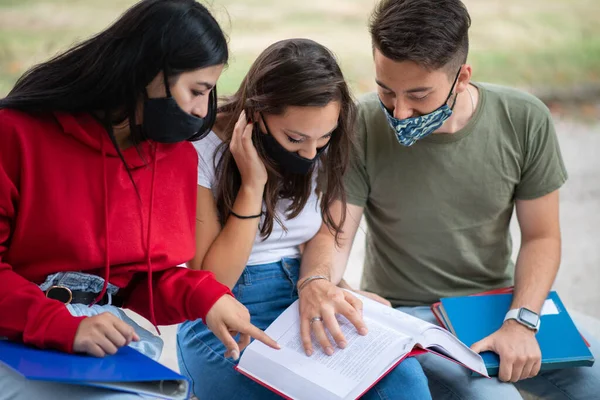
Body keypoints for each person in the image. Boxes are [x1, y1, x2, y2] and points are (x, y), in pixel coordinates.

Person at [0, 1, 278, 399]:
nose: (202, 111)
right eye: (196, 91)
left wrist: (205, 296)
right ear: (146, 71)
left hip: (100, 345)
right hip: (15, 334)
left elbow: (138, 281)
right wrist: (64, 326)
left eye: (210, 92)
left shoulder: (176, 157)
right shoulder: (16, 135)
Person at [330, 0, 600, 398]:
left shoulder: (524, 118)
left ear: (461, 77)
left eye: (419, 95)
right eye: (386, 90)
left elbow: (542, 237)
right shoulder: (362, 124)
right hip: (410, 315)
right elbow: (336, 235)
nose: (401, 112)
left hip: (502, 303)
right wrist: (337, 285)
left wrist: (522, 321)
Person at [176, 38, 432, 400]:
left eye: (323, 137)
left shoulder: (330, 138)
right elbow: (211, 280)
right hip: (228, 311)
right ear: (257, 115)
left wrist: (320, 281)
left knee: (404, 382)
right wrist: (252, 185)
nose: (311, 153)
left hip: (306, 293)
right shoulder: (200, 147)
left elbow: (327, 230)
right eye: (295, 138)